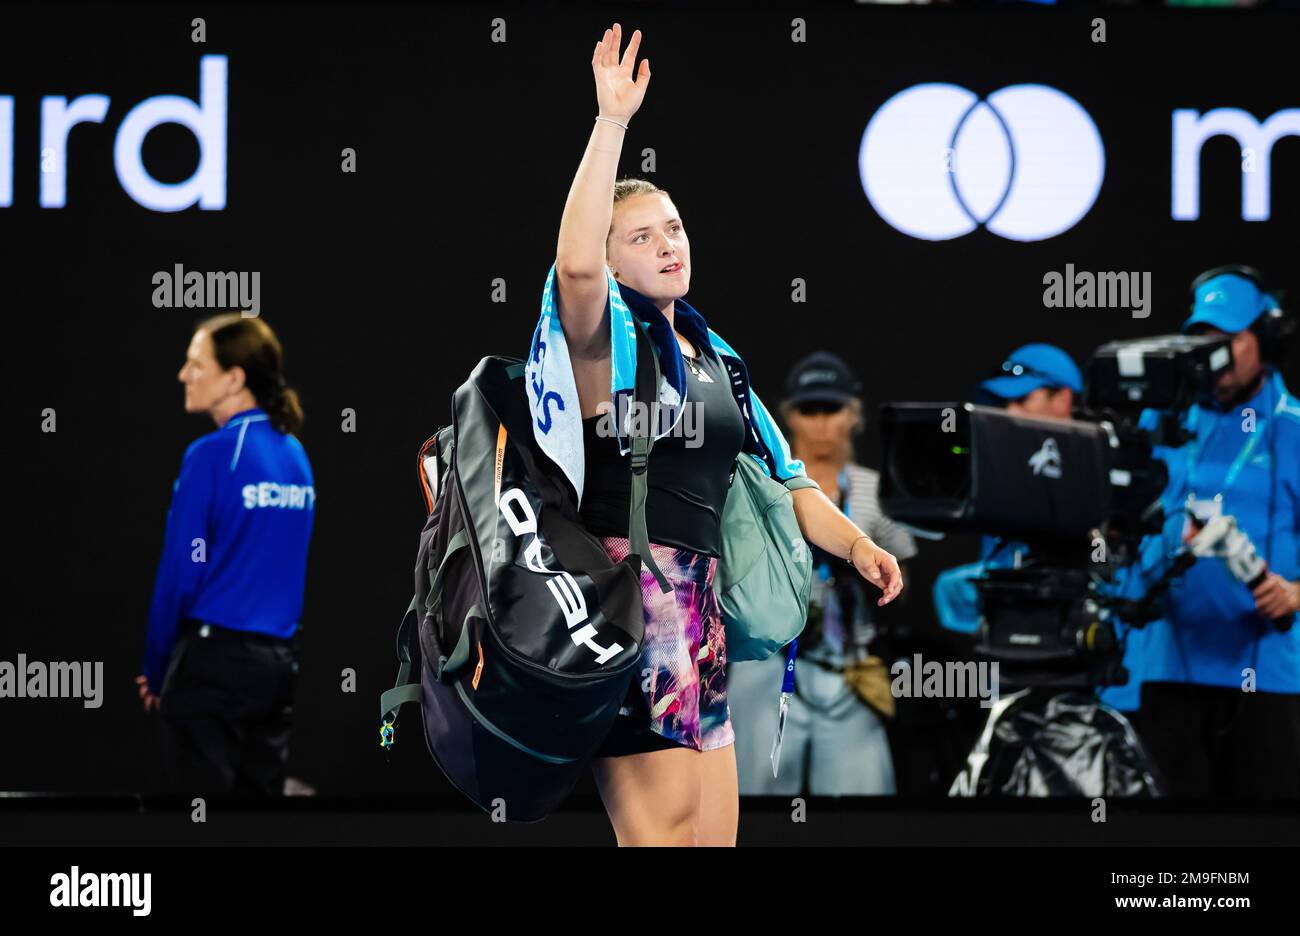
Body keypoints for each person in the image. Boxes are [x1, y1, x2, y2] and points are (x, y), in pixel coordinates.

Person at [551, 22, 904, 845]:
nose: (669, 243)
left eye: (672, 227)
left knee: (714, 841)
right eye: (641, 236)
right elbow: (573, 267)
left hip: (701, 617)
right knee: (664, 841)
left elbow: (788, 479)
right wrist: (611, 124)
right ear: (612, 262)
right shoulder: (604, 339)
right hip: (629, 608)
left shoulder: (715, 352)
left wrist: (856, 547)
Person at [1133, 265, 1300, 797]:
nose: (1214, 356)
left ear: (1264, 339)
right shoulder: (1161, 424)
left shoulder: (1294, 426)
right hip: (1168, 671)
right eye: (1203, 341)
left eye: (1229, 340)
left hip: (1266, 675)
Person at [138, 314, 315, 796]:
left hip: (211, 666)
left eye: (196, 364)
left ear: (234, 377)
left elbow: (181, 572)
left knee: (203, 827)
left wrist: (156, 669)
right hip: (277, 670)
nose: (183, 374)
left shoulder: (212, 455)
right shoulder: (296, 456)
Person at [729, 352, 916, 795]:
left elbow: (903, 582)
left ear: (853, 413)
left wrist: (865, 577)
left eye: (831, 409)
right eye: (808, 410)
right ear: (787, 414)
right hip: (766, 661)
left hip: (846, 661)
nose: (821, 423)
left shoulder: (874, 489)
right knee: (747, 796)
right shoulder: (759, 482)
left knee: (863, 796)